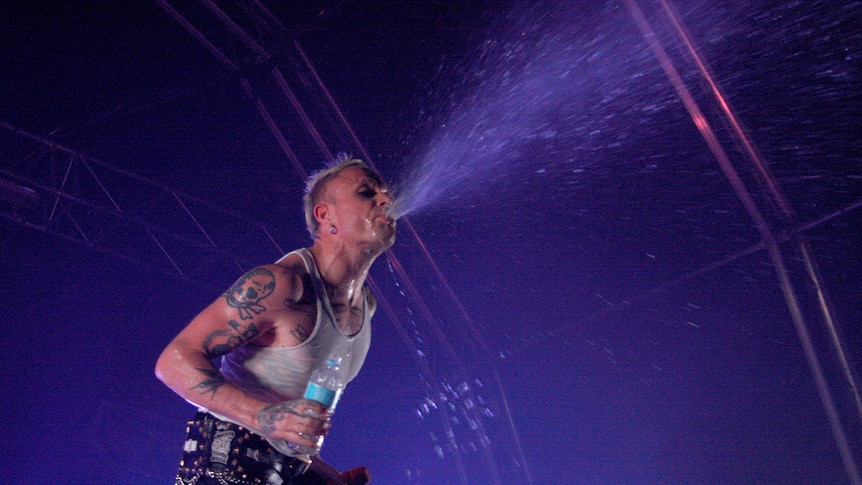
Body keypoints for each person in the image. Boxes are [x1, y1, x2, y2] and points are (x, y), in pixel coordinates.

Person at [156, 156, 395, 485]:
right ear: (326, 215)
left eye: (385, 194)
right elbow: (172, 361)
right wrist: (261, 416)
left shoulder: (365, 306)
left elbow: (287, 426)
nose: (385, 200)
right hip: (224, 469)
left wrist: (326, 477)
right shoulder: (281, 284)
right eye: (367, 193)